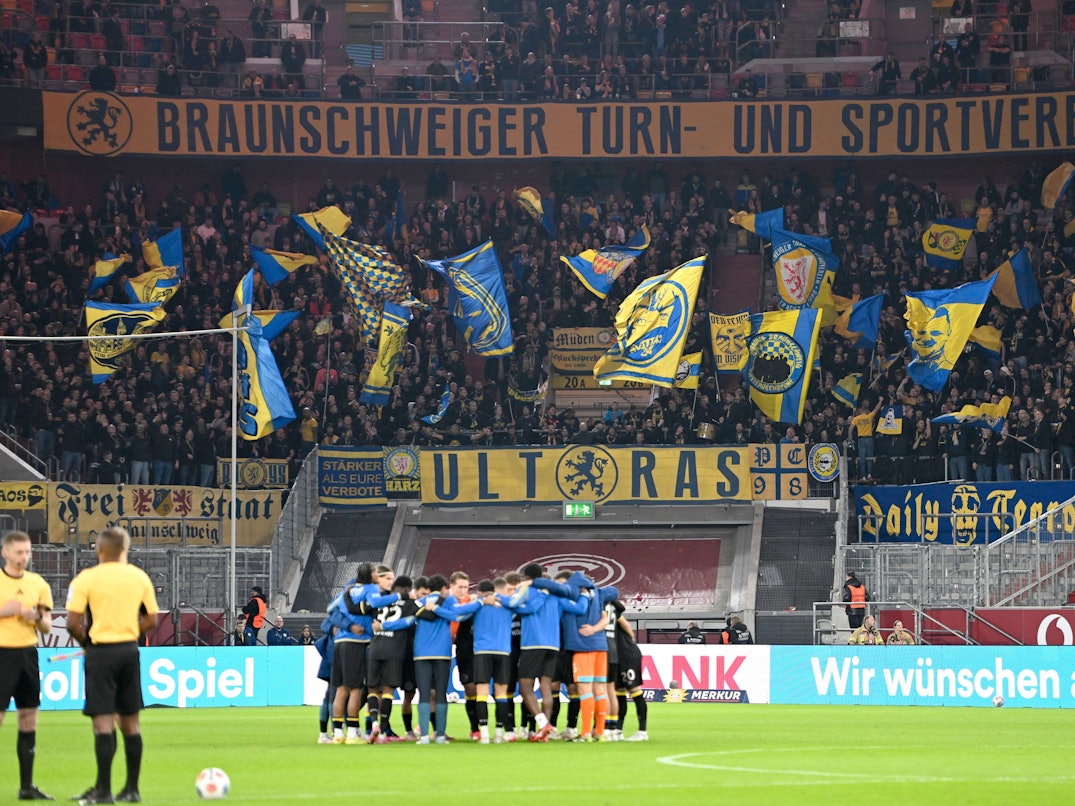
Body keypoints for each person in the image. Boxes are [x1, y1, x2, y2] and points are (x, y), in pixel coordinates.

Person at [66, 526, 160, 805]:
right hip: (129, 652)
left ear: (99, 550)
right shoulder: (138, 577)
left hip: (101, 654)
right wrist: (131, 629)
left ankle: (104, 792)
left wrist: (87, 644)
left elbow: (72, 623)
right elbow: (152, 620)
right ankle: (132, 790)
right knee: (131, 721)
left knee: (103, 722)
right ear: (124, 550)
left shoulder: (87, 579)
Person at [0, 531, 54, 802]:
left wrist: (37, 617)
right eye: (19, 552)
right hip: (1, 654)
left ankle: (26, 786)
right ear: (5, 553)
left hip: (28, 655)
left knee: (28, 718)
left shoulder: (38, 583)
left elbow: (47, 624)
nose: (24, 557)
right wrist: (3, 612)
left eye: (27, 552)